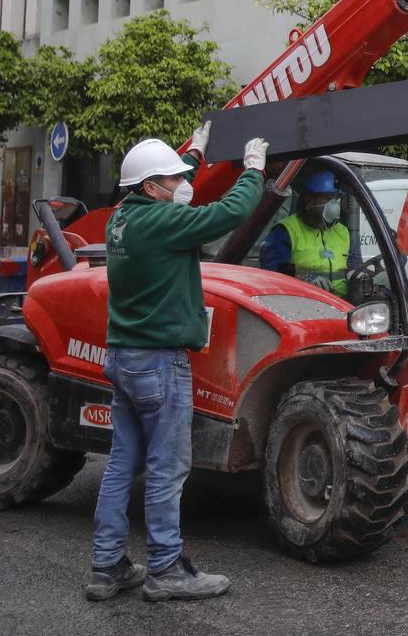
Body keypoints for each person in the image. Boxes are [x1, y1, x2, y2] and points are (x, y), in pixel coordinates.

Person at [85, 123, 269, 603]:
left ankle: (107, 567)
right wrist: (253, 171)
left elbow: (169, 185)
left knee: (123, 463)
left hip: (124, 358)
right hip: (159, 364)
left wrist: (193, 154)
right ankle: (165, 569)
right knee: (168, 467)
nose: (179, 185)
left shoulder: (122, 217)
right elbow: (231, 211)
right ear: (151, 187)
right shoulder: (162, 224)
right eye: (171, 180)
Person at [259, 169, 359, 295]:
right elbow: (273, 271)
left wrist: (358, 275)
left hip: (342, 306)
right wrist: (304, 278)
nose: (335, 205)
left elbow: (355, 265)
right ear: (309, 201)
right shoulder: (286, 231)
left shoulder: (343, 231)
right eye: (329, 198)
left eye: (337, 199)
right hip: (304, 304)